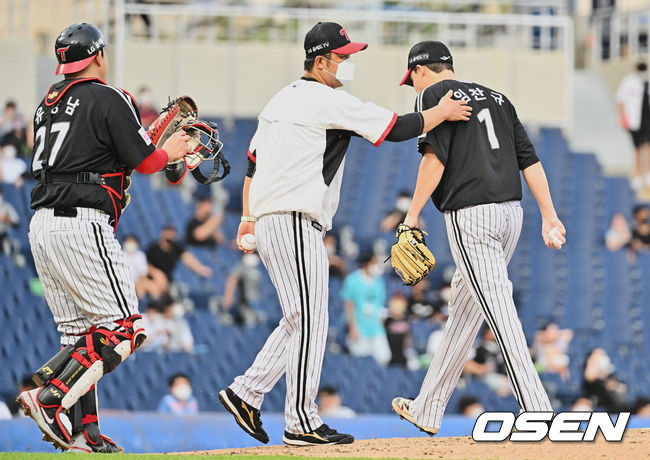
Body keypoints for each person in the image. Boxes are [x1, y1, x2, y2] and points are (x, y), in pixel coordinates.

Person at [218, 22, 471, 447]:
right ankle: (300, 420)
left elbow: (252, 163)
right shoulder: (323, 99)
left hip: (274, 219)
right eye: (344, 56)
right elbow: (393, 127)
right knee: (311, 320)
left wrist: (247, 217)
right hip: (294, 219)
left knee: (300, 319)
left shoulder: (280, 100)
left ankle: (246, 392)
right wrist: (439, 114)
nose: (348, 63)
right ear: (321, 60)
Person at [17, 23, 190, 453]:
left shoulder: (46, 104)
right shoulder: (110, 96)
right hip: (81, 222)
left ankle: (82, 434)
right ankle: (50, 394)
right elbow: (149, 163)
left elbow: (104, 154)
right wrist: (175, 150)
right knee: (124, 329)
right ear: (97, 56)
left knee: (81, 337)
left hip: (42, 223)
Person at [392, 40, 565, 435]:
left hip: (472, 216)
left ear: (421, 70)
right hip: (511, 215)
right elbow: (530, 160)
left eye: (411, 79)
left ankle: (538, 411)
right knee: (465, 313)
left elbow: (434, 158)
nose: (413, 87)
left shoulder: (435, 95)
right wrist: (549, 214)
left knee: (498, 308)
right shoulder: (499, 98)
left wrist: (412, 214)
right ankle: (427, 408)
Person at [342, 252, 391, 365]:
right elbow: (349, 305)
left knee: (384, 357)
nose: (377, 266)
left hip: (376, 327)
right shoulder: (352, 280)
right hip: (359, 327)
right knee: (359, 360)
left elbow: (381, 305)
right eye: (374, 263)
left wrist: (381, 322)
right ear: (366, 264)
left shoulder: (379, 282)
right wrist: (352, 328)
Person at [617, 62, 650, 189]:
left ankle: (647, 173)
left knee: (648, 147)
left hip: (647, 119)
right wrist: (622, 117)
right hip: (635, 120)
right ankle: (637, 174)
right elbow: (621, 100)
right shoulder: (629, 82)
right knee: (636, 149)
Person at [146, 225, 212, 283]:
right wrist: (156, 273)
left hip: (167, 280)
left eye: (172, 234)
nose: (169, 237)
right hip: (151, 278)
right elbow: (145, 264)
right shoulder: (153, 248)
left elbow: (188, 258)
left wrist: (201, 269)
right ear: (162, 234)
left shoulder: (176, 248)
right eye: (168, 234)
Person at [463, 328, 512, 397]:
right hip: (483, 378)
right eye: (492, 330)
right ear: (486, 332)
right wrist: (482, 369)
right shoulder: (479, 346)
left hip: (500, 377)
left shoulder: (499, 347)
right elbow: (466, 364)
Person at [222, 253, 263, 325]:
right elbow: (232, 279)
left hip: (253, 303)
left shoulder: (255, 267)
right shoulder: (242, 266)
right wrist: (229, 296)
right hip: (243, 304)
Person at [583, 348, 628, 412]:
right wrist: (593, 359)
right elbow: (589, 376)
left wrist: (614, 386)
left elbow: (622, 388)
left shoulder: (611, 376)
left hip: (616, 406)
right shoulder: (591, 377)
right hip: (599, 407)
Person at [122, 234, 166, 299]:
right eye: (129, 241)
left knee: (152, 286)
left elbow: (143, 274)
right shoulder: (119, 254)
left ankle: (157, 305)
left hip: (138, 280)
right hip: (124, 281)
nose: (130, 244)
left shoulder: (140, 255)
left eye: (132, 241)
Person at [384, 292, 411, 367]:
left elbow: (408, 340)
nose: (397, 307)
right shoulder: (387, 321)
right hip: (390, 354)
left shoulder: (406, 320)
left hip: (402, 355)